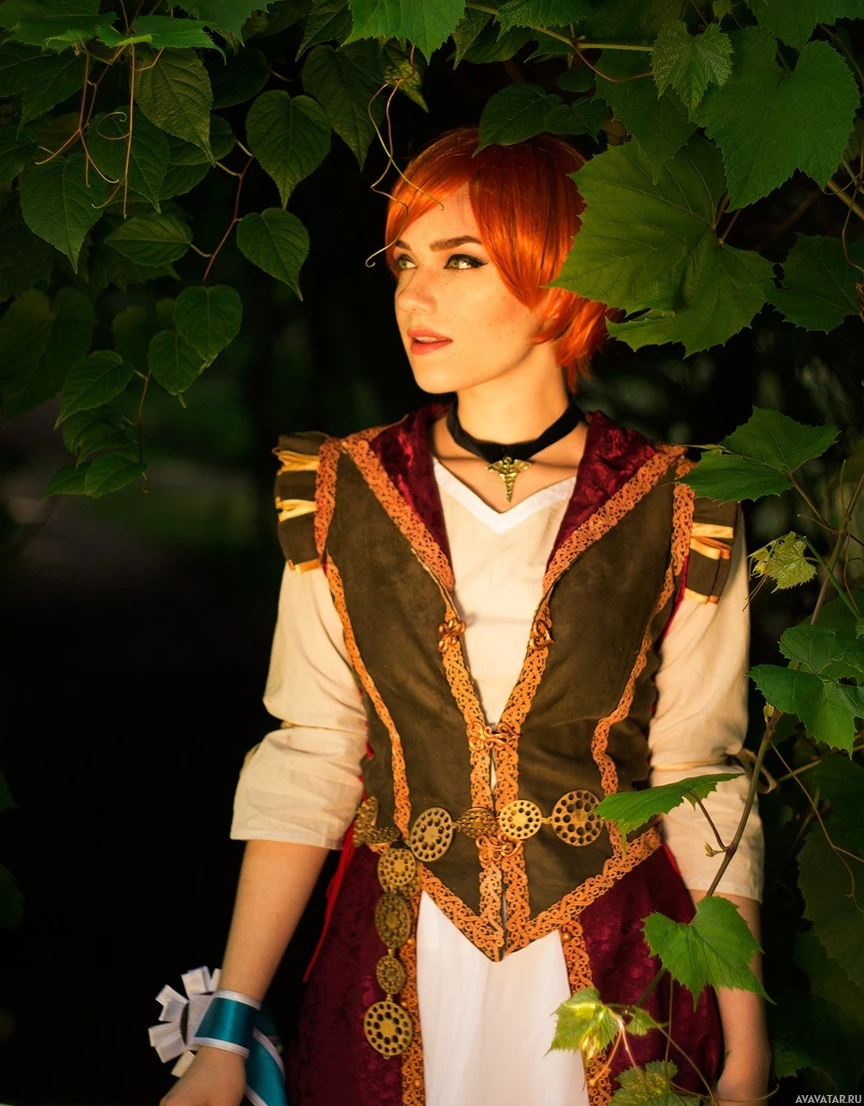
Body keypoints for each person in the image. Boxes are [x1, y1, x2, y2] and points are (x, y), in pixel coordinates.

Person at [162, 129, 769, 1106]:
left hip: (619, 975)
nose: (415, 296)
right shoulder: (338, 494)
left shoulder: (685, 506)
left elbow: (699, 775)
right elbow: (312, 755)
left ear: (563, 279)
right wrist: (227, 1029)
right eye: (405, 261)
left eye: (461, 261)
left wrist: (744, 1050)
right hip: (396, 969)